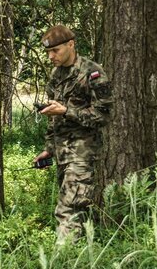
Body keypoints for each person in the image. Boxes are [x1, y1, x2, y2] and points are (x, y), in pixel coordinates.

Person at [32, 24, 113, 244]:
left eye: (55, 51)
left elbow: (103, 116)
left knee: (67, 209)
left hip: (83, 154)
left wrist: (68, 111)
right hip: (63, 153)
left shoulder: (92, 73)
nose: (50, 56)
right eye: (48, 52)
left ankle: (65, 258)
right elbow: (53, 117)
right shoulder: (56, 75)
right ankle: (86, 255)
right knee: (78, 209)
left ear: (71, 45)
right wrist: (48, 149)